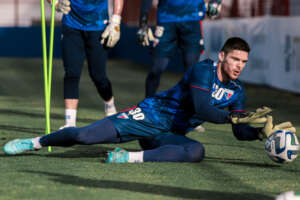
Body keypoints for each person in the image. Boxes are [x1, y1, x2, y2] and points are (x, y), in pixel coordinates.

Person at [3, 37, 295, 163]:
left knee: (196, 153)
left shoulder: (238, 91)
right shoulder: (203, 70)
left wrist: (257, 133)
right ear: (222, 56)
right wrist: (233, 116)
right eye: (235, 59)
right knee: (84, 135)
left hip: (168, 134)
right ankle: (36, 142)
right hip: (150, 116)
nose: (239, 65)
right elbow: (202, 107)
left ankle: (128, 158)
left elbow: (237, 130)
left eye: (244, 61)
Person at [136, 0, 223, 132]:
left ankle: (189, 115)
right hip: (166, 19)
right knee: (157, 68)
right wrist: (143, 22)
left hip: (192, 19)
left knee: (192, 70)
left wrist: (216, 2)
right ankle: (146, 110)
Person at [50, 0, 124, 129]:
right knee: (71, 73)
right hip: (71, 24)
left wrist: (116, 19)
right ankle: (70, 123)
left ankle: (110, 106)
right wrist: (54, 3)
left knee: (98, 76)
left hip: (98, 25)